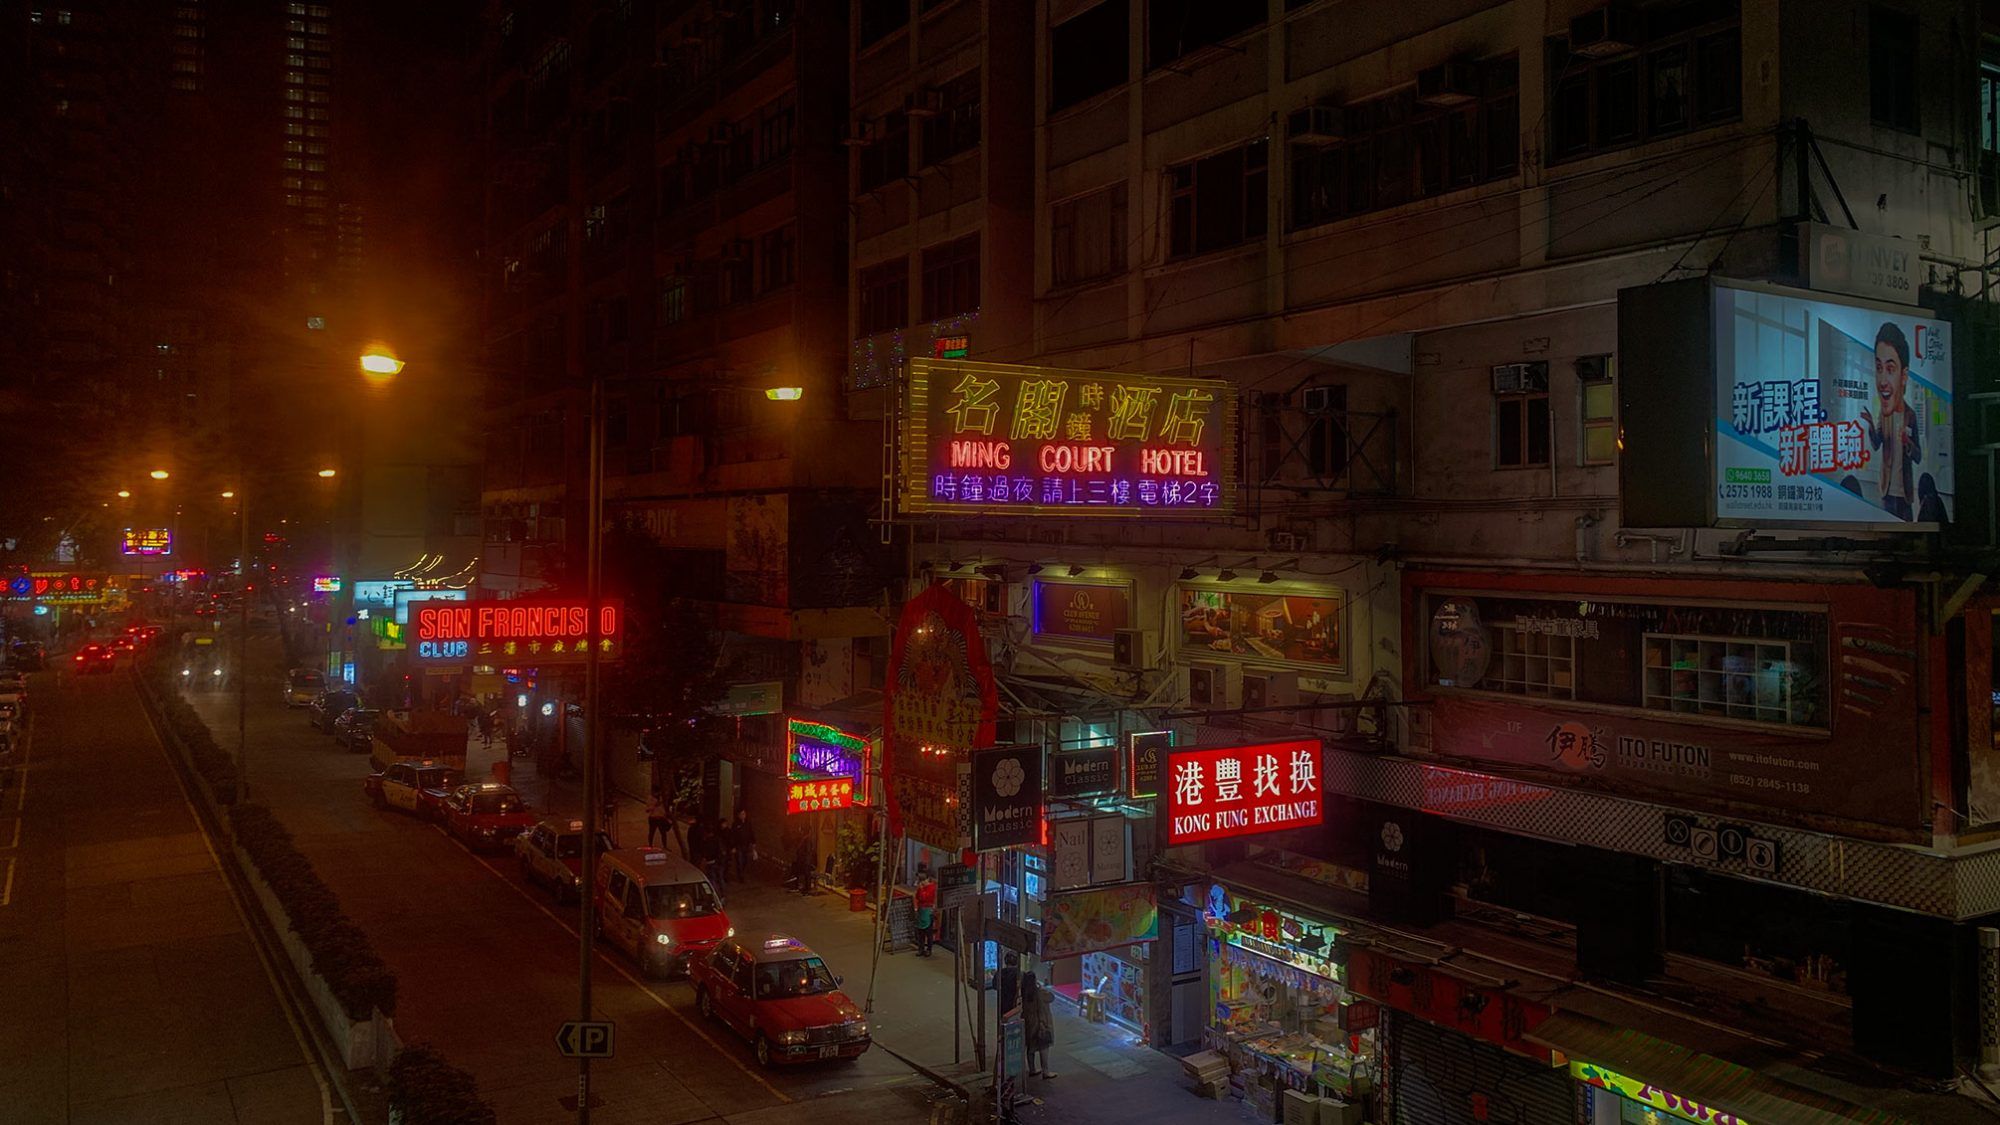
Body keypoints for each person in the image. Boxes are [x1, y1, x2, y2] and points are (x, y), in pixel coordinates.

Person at [1862, 322, 1923, 521]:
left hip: (1905, 495)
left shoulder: (1911, 416)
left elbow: (1918, 456)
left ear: (1903, 376)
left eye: (1890, 368)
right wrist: (1871, 425)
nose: (1882, 380)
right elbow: (1877, 443)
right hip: (1886, 491)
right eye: (1879, 368)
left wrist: (1908, 443)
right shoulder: (1883, 415)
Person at [1021, 970, 1056, 1079]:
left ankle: (1032, 1069)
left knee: (1030, 1047)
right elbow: (1051, 997)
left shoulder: (1024, 992)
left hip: (1028, 1023)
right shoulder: (1039, 992)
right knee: (1044, 1046)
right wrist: (1042, 988)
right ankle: (1045, 1071)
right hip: (1041, 1022)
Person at [913, 865, 938, 957]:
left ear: (928, 879)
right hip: (921, 910)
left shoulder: (932, 887)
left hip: (928, 911)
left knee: (928, 931)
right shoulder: (921, 887)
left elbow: (924, 897)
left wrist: (922, 889)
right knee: (920, 931)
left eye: (923, 880)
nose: (922, 882)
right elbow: (917, 897)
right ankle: (921, 948)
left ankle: (929, 949)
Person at [729, 808, 756, 883]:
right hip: (738, 846)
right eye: (741, 814)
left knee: (745, 860)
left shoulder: (747, 823)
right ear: (738, 815)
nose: (743, 815)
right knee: (739, 861)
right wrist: (733, 846)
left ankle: (742, 872)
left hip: (746, 845)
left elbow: (751, 832)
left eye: (744, 814)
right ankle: (740, 876)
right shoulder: (735, 824)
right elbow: (733, 836)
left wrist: (753, 841)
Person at [997, 952, 1021, 1017]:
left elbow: (994, 985)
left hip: (1002, 1000)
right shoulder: (1019, 974)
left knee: (1002, 1017)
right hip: (1014, 1000)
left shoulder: (1001, 972)